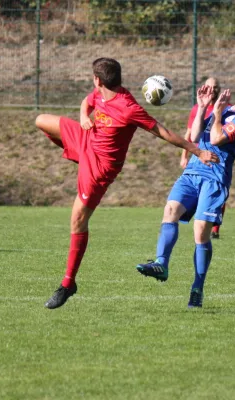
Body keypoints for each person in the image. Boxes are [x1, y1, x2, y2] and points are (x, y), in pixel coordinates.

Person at [35, 57, 219, 309]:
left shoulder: (128, 106)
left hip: (100, 168)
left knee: (77, 220)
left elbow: (162, 132)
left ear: (97, 80)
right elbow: (87, 101)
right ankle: (79, 157)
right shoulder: (100, 94)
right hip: (86, 140)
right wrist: (83, 116)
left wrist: (196, 151)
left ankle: (68, 284)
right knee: (41, 120)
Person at [136, 76, 235, 308]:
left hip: (215, 178)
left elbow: (218, 139)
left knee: (200, 234)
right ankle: (161, 263)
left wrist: (218, 114)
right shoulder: (226, 108)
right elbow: (198, 136)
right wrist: (202, 108)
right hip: (193, 171)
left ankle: (197, 287)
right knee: (170, 210)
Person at [180, 77, 227, 240]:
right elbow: (189, 134)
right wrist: (184, 155)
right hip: (198, 158)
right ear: (204, 88)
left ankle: (215, 228)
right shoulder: (197, 108)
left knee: (217, 192)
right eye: (209, 87)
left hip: (217, 158)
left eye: (215, 87)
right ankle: (199, 221)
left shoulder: (225, 108)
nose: (212, 90)